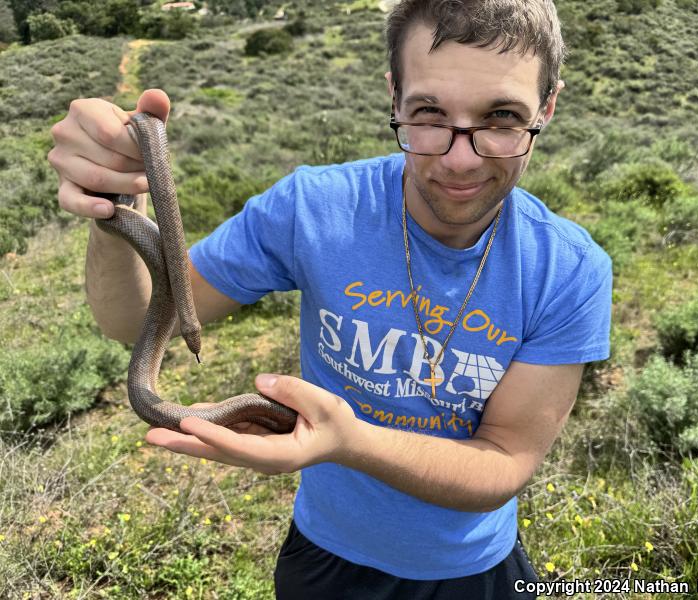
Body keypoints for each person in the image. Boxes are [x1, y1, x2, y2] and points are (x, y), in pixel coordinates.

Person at [48, 0, 612, 597]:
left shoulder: (568, 271)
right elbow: (134, 321)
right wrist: (112, 204)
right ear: (394, 96)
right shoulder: (312, 209)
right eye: (428, 113)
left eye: (501, 117)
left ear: (546, 106)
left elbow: (503, 463)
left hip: (473, 571)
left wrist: (350, 442)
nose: (460, 156)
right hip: (325, 557)